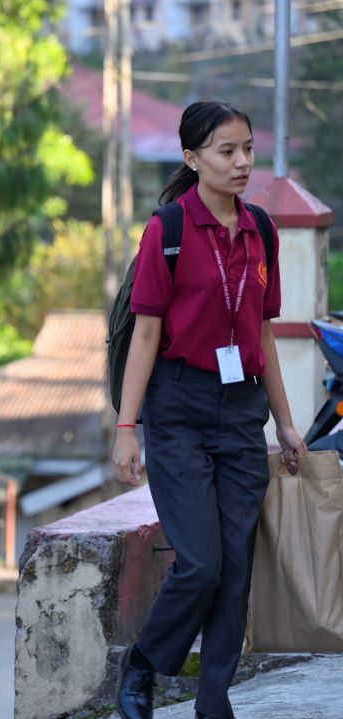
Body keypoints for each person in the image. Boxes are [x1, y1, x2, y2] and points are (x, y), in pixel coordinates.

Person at [111, 101, 307, 719]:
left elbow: (264, 333)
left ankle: (213, 700)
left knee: (235, 568)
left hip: (243, 408)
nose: (242, 162)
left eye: (248, 148)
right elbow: (145, 335)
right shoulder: (167, 230)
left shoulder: (261, 230)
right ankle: (144, 663)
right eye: (227, 151)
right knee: (200, 564)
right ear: (192, 159)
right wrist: (126, 428)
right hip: (178, 407)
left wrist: (286, 422)